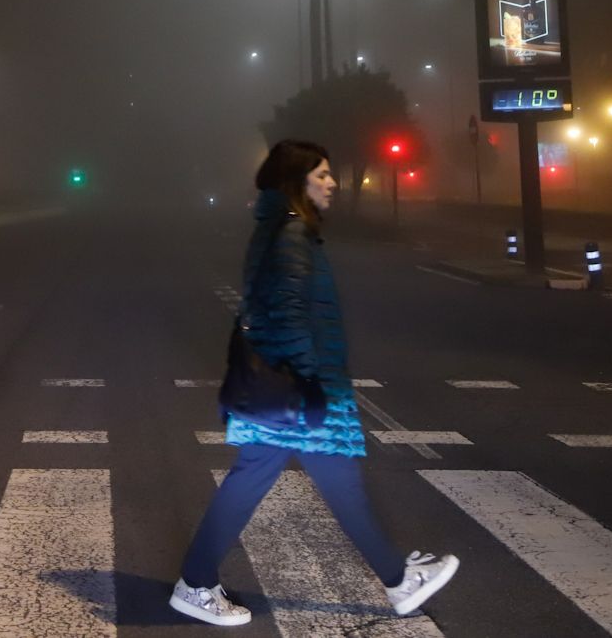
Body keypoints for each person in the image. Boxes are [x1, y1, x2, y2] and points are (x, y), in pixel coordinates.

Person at [169, 139, 459, 626]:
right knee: (327, 481)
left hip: (283, 384)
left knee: (265, 476)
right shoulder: (292, 233)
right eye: (321, 175)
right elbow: (289, 315)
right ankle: (397, 581)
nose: (332, 183)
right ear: (295, 183)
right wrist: (308, 384)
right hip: (301, 386)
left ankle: (196, 582)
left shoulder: (275, 228)